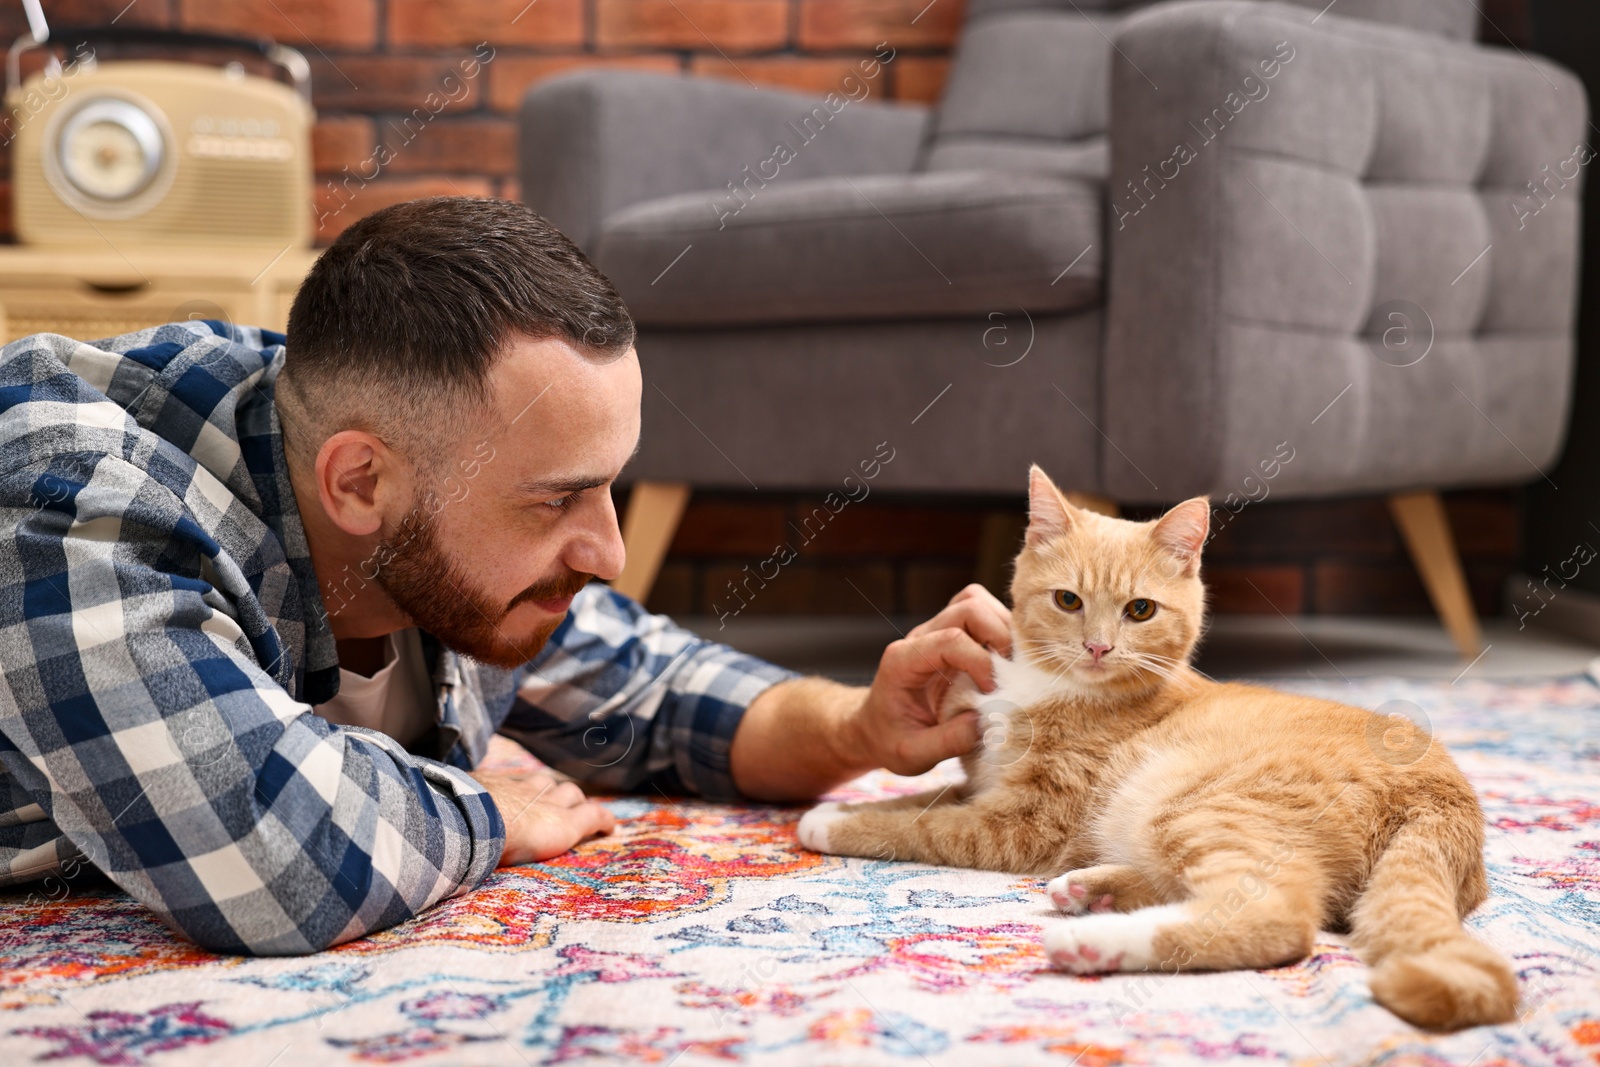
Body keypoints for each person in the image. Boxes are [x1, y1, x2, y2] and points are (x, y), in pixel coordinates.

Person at [0, 197, 1010, 954]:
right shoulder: (74, 503)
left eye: (610, 488)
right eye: (554, 500)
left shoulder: (423, 467)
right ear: (357, 482)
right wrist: (490, 809)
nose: (608, 553)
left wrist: (859, 727)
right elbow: (268, 858)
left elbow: (653, 693)